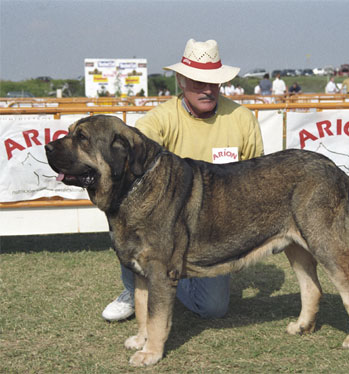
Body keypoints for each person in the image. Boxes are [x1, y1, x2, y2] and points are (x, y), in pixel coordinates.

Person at [102, 38, 264, 321]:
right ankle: (135, 287)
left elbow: (255, 180)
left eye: (213, 81)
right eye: (197, 81)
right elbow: (133, 177)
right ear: (180, 81)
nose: (206, 88)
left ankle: (159, 283)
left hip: (216, 229)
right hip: (164, 225)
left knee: (213, 308)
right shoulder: (157, 121)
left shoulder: (242, 118)